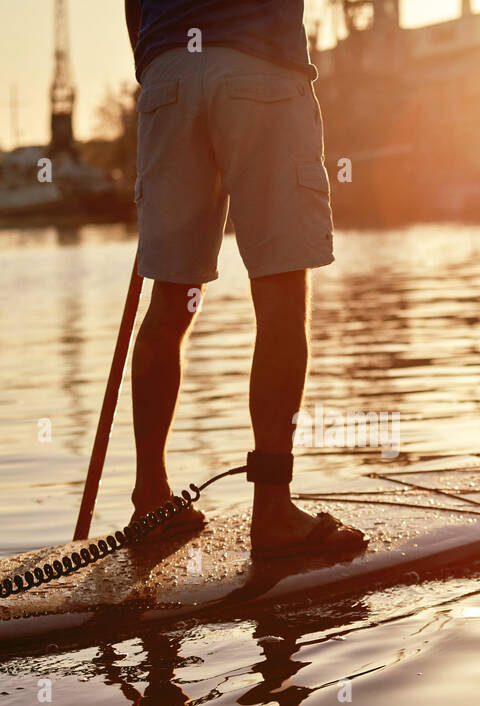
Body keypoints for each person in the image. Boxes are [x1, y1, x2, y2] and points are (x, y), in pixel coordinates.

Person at [124, 0, 366, 559]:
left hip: (168, 77)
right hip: (259, 71)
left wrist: (161, 68)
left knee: (171, 300)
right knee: (281, 297)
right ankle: (274, 510)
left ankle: (152, 497)